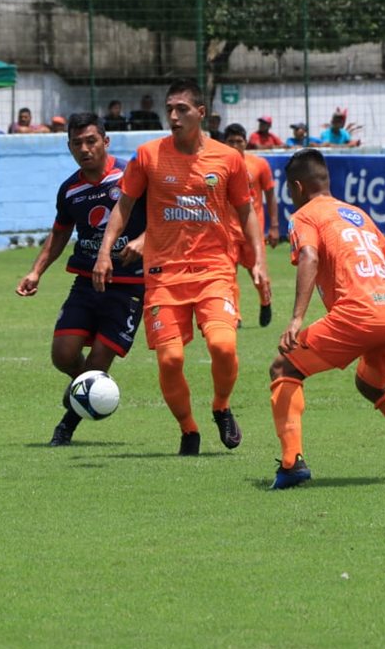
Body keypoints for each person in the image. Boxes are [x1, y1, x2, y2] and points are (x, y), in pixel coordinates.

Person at [92, 78, 269, 455]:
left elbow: (247, 212)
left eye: (181, 109)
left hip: (214, 269)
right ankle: (188, 429)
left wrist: (259, 263)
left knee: (223, 346)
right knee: (171, 360)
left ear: (200, 113)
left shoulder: (228, 158)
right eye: (169, 109)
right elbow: (123, 207)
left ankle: (221, 406)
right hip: (163, 273)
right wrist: (105, 252)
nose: (172, 116)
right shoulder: (148, 155)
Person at [266, 148, 385, 489]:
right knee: (371, 384)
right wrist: (382, 317)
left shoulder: (306, 215)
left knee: (283, 367)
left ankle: (291, 464)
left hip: (358, 313)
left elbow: (308, 256)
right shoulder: (359, 215)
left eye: (290, 190)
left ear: (299, 188)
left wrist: (295, 320)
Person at [16, 112, 147, 446]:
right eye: (77, 143)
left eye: (91, 141)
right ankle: (89, 387)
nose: (85, 149)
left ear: (106, 141)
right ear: (69, 147)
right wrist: (36, 271)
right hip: (87, 281)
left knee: (100, 358)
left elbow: (161, 217)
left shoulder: (131, 176)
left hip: (129, 285)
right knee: (63, 354)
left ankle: (66, 426)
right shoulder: (70, 190)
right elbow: (59, 234)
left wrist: (143, 241)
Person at [223, 123, 278, 327]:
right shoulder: (218, 165)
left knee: (258, 274)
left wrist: (274, 226)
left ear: (246, 142)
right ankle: (234, 315)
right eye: (231, 141)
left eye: (239, 141)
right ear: (224, 143)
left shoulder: (259, 164)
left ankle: (265, 300)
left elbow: (271, 195)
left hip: (252, 229)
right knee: (228, 274)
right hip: (227, 229)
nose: (236, 145)